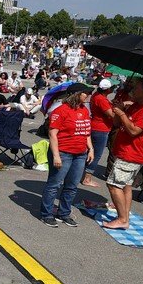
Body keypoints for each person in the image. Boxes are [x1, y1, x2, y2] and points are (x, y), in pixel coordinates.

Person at [103, 77, 143, 231]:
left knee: (113, 184)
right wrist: (119, 110)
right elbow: (117, 123)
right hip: (124, 151)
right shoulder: (136, 105)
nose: (133, 90)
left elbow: (134, 130)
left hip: (132, 154)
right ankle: (125, 215)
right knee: (126, 186)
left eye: (137, 87)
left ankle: (122, 219)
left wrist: (122, 113)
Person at [40, 89, 93, 227]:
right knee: (54, 184)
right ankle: (46, 214)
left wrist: (91, 148)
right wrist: (56, 155)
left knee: (72, 186)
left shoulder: (84, 110)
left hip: (80, 154)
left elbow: (86, 131)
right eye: (86, 93)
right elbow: (52, 134)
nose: (88, 95)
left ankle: (64, 213)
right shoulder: (61, 110)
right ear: (76, 94)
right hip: (63, 152)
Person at [82, 79, 115, 188]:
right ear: (108, 89)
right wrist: (121, 109)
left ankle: (83, 175)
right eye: (112, 87)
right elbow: (111, 115)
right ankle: (87, 178)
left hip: (96, 126)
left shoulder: (97, 95)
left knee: (89, 152)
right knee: (96, 154)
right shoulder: (101, 99)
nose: (113, 89)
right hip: (101, 129)